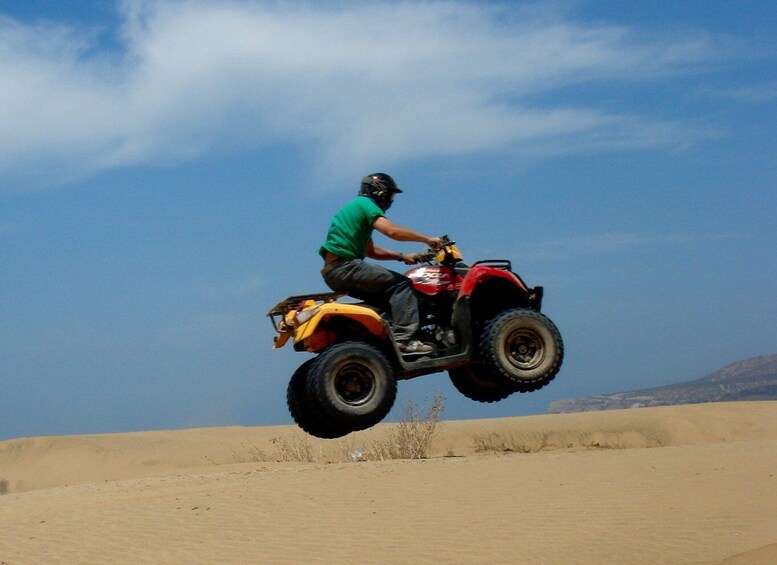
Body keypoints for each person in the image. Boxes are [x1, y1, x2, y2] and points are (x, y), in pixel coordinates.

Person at [319, 173, 442, 356]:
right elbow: (392, 231)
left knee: (388, 299)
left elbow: (371, 251)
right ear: (380, 192)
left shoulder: (356, 210)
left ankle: (387, 338)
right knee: (402, 285)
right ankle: (404, 340)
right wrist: (427, 240)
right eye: (390, 195)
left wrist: (402, 257)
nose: (391, 200)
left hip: (335, 271)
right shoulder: (366, 205)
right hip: (346, 267)